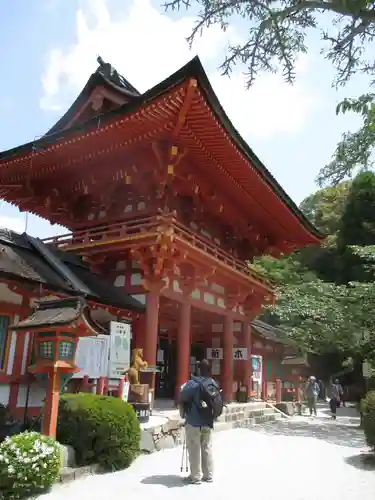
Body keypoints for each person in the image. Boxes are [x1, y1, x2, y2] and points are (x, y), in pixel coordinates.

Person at [179, 359, 223, 484]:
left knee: (194, 449)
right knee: (207, 448)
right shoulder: (213, 383)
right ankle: (208, 475)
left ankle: (195, 477)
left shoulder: (193, 383)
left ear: (199, 369)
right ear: (209, 370)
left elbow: (182, 397)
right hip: (208, 421)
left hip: (194, 422)